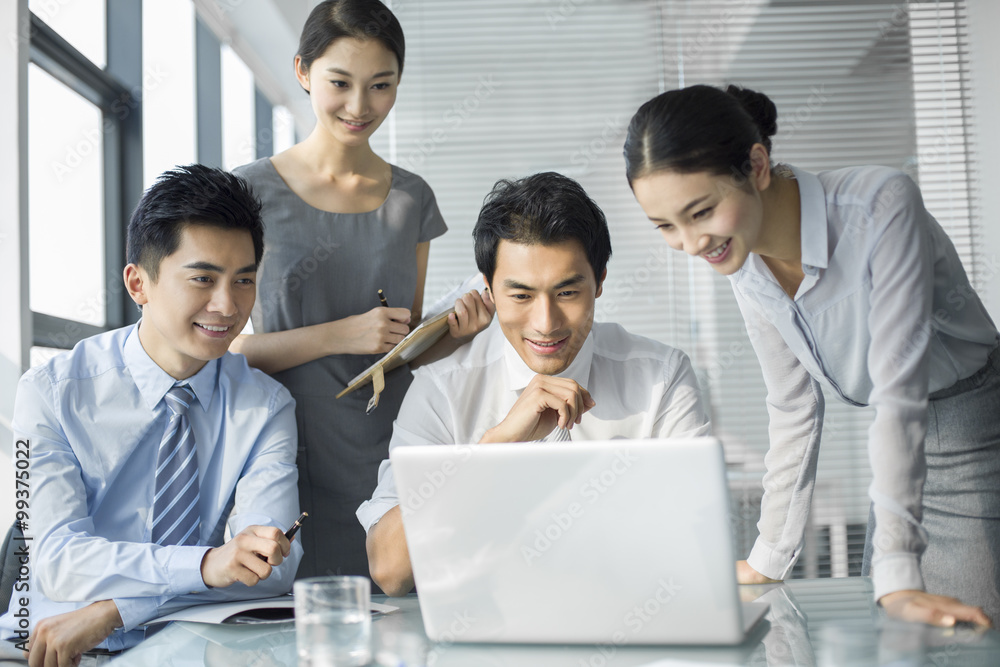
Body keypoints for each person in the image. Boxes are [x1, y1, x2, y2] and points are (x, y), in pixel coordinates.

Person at [624, 83, 1000, 628]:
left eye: (701, 211)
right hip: (901, 448)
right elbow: (794, 405)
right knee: (897, 635)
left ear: (756, 165)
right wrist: (768, 557)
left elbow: (899, 388)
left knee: (960, 639)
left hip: (974, 430)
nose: (691, 243)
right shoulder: (743, 256)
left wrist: (896, 572)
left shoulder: (880, 205)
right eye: (665, 226)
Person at [230, 0, 492, 583]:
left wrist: (458, 334)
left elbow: (403, 350)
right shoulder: (248, 193)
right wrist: (340, 334)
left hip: (386, 443)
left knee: (392, 603)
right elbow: (226, 350)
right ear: (302, 72)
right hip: (284, 441)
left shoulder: (411, 200)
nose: (359, 106)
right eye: (340, 83)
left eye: (380, 85)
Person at [0, 165, 303, 664]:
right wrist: (207, 564)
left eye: (244, 280)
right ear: (138, 284)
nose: (227, 306)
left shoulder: (266, 407)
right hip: (47, 648)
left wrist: (119, 608)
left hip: (187, 650)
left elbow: (269, 565)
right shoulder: (51, 393)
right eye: (203, 278)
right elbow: (55, 561)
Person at [357, 172, 712, 596]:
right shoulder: (441, 389)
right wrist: (494, 449)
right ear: (488, 290)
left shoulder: (661, 378)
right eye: (521, 296)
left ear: (599, 281)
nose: (545, 324)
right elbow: (391, 569)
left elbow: (695, 547)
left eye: (566, 293)